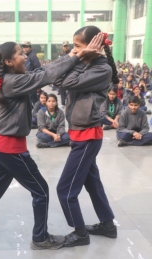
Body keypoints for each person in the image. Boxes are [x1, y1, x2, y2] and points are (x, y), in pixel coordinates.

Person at [0, 40, 101, 250]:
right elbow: (46, 75)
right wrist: (75, 56)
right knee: (41, 190)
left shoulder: (9, 77)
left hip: (0, 144)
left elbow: (43, 70)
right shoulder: (13, 82)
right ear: (8, 61)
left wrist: (74, 55)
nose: (25, 56)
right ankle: (40, 238)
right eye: (19, 54)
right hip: (10, 148)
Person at [56, 27, 118, 247]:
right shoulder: (88, 63)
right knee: (93, 183)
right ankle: (108, 225)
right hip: (79, 132)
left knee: (65, 189)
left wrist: (79, 60)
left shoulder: (101, 69)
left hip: (87, 136)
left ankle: (80, 233)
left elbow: (67, 83)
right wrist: (77, 57)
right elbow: (56, 79)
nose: (74, 51)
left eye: (78, 47)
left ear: (95, 46)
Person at [22, 41, 42, 106]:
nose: (25, 48)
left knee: (33, 101)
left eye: (27, 47)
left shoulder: (33, 56)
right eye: (24, 47)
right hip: (26, 82)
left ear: (30, 48)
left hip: (32, 82)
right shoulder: (24, 57)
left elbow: (38, 69)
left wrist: (38, 83)